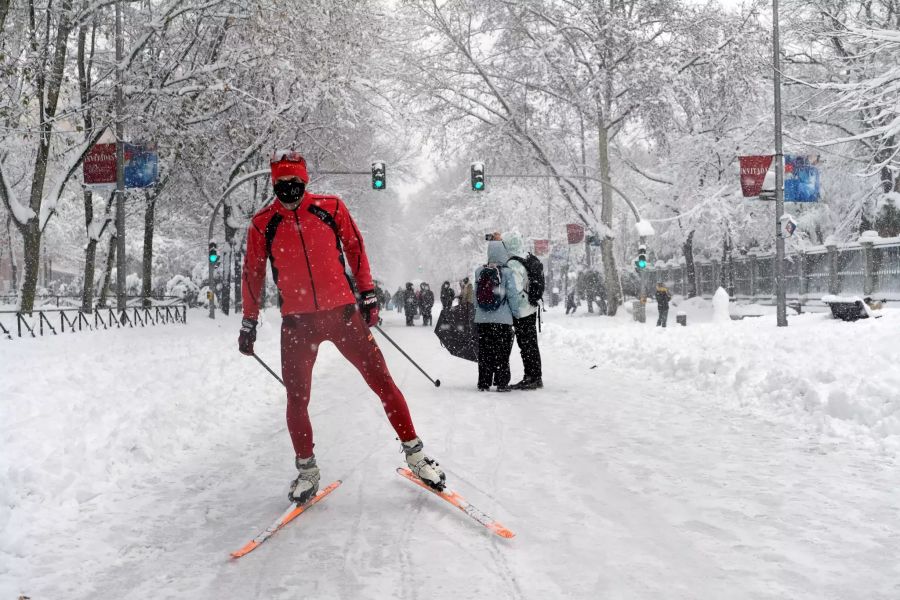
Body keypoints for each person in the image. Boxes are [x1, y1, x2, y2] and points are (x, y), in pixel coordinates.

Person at [238, 150, 445, 503]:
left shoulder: (330, 208)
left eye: (295, 182)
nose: (289, 188)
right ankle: (307, 470)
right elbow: (253, 272)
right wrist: (249, 320)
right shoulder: (263, 223)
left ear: (305, 181)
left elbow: (355, 247)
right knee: (297, 398)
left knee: (383, 382)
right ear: (275, 184)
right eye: (282, 183)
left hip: (344, 316)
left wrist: (367, 294)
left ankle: (416, 454)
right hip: (298, 324)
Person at [474, 236, 521, 392]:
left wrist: (478, 313)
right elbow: (513, 295)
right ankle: (501, 382)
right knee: (501, 352)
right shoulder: (507, 273)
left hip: (483, 320)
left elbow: (476, 296)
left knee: (485, 351)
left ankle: (484, 382)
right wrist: (516, 314)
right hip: (502, 320)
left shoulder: (479, 271)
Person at [502, 233, 543, 390]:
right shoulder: (525, 257)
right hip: (530, 307)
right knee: (531, 344)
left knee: (526, 345)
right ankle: (535, 376)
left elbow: (515, 288)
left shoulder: (513, 263)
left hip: (521, 310)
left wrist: (501, 291)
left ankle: (531, 377)